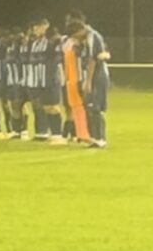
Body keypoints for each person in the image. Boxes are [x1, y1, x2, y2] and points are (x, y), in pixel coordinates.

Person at [67, 11, 110, 148]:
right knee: (89, 106)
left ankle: (100, 138)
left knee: (95, 107)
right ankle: (94, 137)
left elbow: (93, 60)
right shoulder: (85, 40)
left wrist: (88, 82)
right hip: (89, 76)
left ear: (80, 30)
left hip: (97, 76)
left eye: (76, 36)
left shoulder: (93, 37)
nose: (76, 39)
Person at [63, 21, 91, 143]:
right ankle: (84, 134)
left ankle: (82, 134)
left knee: (78, 108)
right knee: (80, 108)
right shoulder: (76, 46)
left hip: (72, 80)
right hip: (76, 79)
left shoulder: (68, 45)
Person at [41, 27, 67, 145]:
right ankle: (54, 133)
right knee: (47, 107)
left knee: (54, 107)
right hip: (45, 79)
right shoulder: (47, 46)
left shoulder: (59, 46)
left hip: (54, 79)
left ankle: (58, 135)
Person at [26, 19, 51, 141]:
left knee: (44, 105)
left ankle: (45, 131)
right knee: (35, 105)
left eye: (37, 27)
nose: (35, 30)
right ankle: (39, 132)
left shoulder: (49, 42)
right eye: (34, 28)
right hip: (33, 79)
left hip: (44, 79)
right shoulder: (34, 43)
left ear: (45, 27)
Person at [3, 27, 25, 139]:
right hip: (10, 81)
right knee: (13, 105)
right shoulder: (8, 48)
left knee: (20, 105)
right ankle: (16, 131)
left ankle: (24, 130)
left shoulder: (20, 48)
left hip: (19, 80)